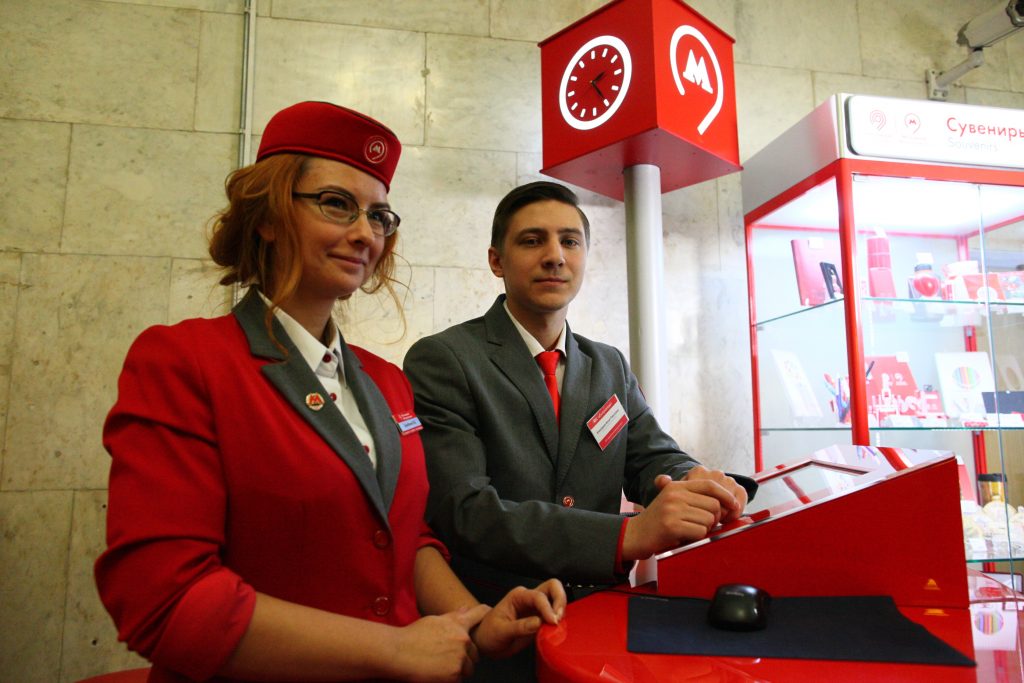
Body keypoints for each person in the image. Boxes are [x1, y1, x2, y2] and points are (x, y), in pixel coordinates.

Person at [95, 102, 565, 683]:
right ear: (268, 216)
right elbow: (165, 600)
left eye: (379, 216)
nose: (365, 233)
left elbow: (406, 538)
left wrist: (475, 620)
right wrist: (391, 649)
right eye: (337, 203)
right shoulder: (185, 361)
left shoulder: (387, 381)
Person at [404, 180, 757, 604]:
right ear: (496, 261)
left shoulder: (608, 365)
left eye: (570, 241)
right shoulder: (445, 359)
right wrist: (625, 536)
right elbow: (465, 510)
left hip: (603, 604)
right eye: (532, 241)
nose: (555, 256)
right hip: (496, 611)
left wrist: (692, 480)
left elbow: (650, 457)